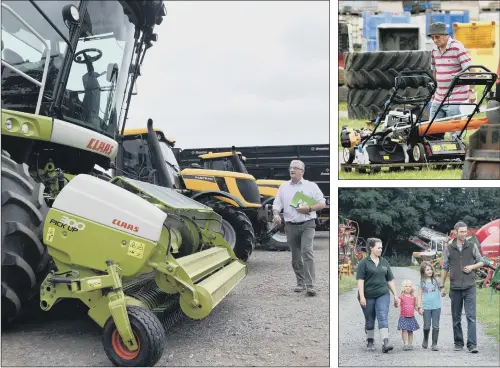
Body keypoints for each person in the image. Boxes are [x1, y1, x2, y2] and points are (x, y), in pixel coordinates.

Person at [272, 160, 325, 297]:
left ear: (302, 171)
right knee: (295, 257)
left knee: (307, 251)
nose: (292, 170)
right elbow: (276, 204)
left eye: (295, 168)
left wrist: (309, 208)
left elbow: (322, 203)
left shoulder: (311, 186)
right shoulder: (283, 187)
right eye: (291, 168)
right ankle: (300, 283)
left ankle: (311, 285)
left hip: (308, 224)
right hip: (290, 226)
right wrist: (276, 214)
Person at [440, 221, 485, 353]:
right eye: (462, 232)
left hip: (470, 286)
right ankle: (458, 343)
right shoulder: (449, 247)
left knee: (471, 317)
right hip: (455, 287)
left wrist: (472, 267)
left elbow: (481, 261)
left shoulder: (472, 246)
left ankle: (472, 345)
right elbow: (445, 267)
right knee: (456, 317)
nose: (464, 234)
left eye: (466, 231)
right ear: (455, 232)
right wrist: (442, 285)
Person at [428, 22, 476, 130]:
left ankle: (458, 145)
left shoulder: (457, 47)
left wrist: (471, 91)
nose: (435, 40)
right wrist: (436, 88)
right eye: (432, 38)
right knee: (431, 129)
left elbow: (471, 69)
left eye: (437, 37)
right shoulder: (434, 50)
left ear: (445, 35)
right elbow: (434, 71)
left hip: (456, 97)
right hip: (438, 97)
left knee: (455, 131)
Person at [356, 238, 400, 353]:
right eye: (378, 247)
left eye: (381, 248)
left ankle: (385, 342)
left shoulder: (384, 262)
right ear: (371, 247)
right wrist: (362, 296)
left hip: (382, 294)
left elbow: (390, 280)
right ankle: (370, 340)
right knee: (370, 319)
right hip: (367, 295)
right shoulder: (364, 263)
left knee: (382, 316)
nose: (380, 250)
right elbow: (360, 281)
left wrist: (395, 295)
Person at [417, 261, 442, 351]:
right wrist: (419, 307)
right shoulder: (421, 282)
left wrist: (443, 291)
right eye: (427, 270)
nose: (430, 271)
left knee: (436, 326)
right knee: (427, 326)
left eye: (431, 269)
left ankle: (434, 344)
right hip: (426, 307)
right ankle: (425, 339)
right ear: (423, 272)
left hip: (436, 307)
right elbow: (419, 295)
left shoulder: (436, 280)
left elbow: (442, 289)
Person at [397, 279, 420, 351]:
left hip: (411, 317)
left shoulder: (413, 297)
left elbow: (415, 306)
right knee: (404, 330)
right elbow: (397, 304)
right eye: (406, 286)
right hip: (403, 316)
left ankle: (410, 344)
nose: (408, 287)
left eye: (410, 286)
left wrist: (419, 310)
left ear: (412, 288)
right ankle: (405, 344)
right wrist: (396, 302)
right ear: (403, 288)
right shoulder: (401, 296)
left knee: (411, 330)